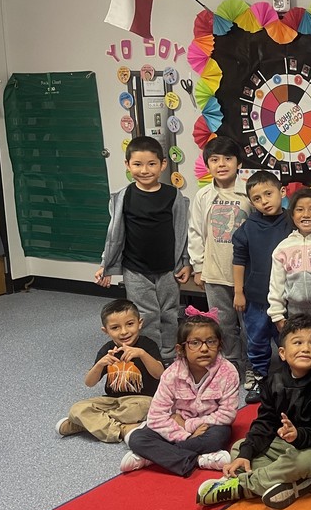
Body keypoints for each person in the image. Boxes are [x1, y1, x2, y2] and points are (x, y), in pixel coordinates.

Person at [197, 314, 311, 510]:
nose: (305, 348)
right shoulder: (275, 381)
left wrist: (298, 435)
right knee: (240, 448)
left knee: (299, 462)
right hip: (290, 442)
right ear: (282, 352)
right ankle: (291, 483)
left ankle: (243, 486)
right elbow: (265, 422)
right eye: (297, 342)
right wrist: (246, 454)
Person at [95, 136, 191, 364]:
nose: (144, 170)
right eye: (137, 164)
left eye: (151, 164)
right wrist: (105, 264)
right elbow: (114, 235)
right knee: (146, 315)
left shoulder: (173, 195)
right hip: (136, 269)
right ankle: (150, 355)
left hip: (168, 269)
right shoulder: (123, 197)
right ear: (127, 165)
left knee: (169, 313)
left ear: (163, 165)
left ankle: (168, 356)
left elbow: (182, 232)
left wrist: (185, 262)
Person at [122, 308, 239, 476]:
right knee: (137, 438)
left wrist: (190, 425)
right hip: (177, 425)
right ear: (181, 349)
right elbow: (156, 417)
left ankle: (150, 458)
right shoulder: (172, 374)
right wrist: (184, 435)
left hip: (209, 427)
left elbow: (227, 414)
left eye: (211, 341)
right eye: (195, 343)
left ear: (219, 345)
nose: (204, 348)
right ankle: (198, 460)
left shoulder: (228, 372)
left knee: (217, 437)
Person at [55, 299, 164, 443]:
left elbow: (160, 374)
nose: (124, 332)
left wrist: (142, 354)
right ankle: (122, 430)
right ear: (105, 331)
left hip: (142, 399)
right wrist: (100, 364)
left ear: (140, 323)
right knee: (77, 409)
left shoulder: (147, 345)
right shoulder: (106, 350)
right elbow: (89, 382)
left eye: (130, 324)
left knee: (141, 409)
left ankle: (83, 425)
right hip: (112, 400)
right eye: (115, 328)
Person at [188, 135, 251, 381]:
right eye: (215, 159)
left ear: (238, 163)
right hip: (215, 273)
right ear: (208, 165)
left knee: (249, 324)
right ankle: (232, 364)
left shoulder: (248, 192)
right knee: (224, 323)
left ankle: (254, 365)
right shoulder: (203, 196)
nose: (222, 164)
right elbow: (195, 232)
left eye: (228, 158)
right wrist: (198, 266)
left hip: (247, 274)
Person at [232, 170, 292, 403]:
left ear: (282, 192)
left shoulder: (292, 222)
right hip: (256, 297)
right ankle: (259, 378)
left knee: (286, 338)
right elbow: (238, 259)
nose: (264, 201)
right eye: (257, 198)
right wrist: (239, 292)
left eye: (269, 194)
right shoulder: (248, 227)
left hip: (286, 297)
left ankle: (290, 378)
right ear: (251, 202)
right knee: (256, 339)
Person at [267, 187, 311, 331]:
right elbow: (276, 284)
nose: (306, 214)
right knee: (301, 349)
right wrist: (277, 315)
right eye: (300, 210)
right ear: (292, 215)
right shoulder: (284, 247)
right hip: (295, 313)